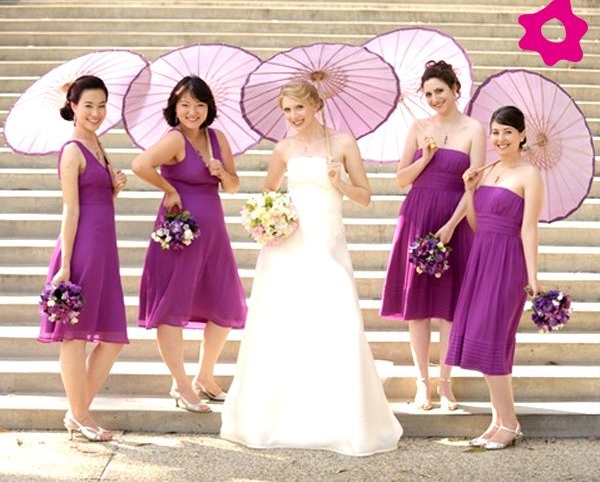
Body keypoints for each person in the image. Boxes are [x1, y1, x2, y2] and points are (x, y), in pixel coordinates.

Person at [221, 80, 403, 456]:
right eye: (287, 110)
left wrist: (341, 183)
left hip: (327, 243)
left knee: (339, 320)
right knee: (284, 323)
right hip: (288, 245)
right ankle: (279, 414)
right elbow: (269, 194)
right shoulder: (283, 149)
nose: (293, 116)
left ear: (316, 105)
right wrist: (268, 219)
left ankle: (344, 419)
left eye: (299, 108)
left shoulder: (343, 143)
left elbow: (365, 197)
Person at [132, 75, 247, 413]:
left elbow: (234, 186)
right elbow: (140, 164)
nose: (192, 111)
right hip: (181, 233)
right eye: (184, 105)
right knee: (173, 303)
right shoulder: (174, 139)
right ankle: (181, 384)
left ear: (208, 107)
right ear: (175, 107)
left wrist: (222, 172)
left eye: (199, 104)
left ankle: (204, 376)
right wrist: (169, 190)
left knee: (225, 303)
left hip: (214, 234)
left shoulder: (217, 138)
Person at [380, 60, 486, 410]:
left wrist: (452, 225)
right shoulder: (418, 127)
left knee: (449, 307)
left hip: (454, 217)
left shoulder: (474, 130)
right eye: (428, 94)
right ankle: (422, 383)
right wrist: (425, 157)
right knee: (418, 308)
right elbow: (401, 179)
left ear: (455, 89)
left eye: (440, 90)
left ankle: (445, 382)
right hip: (417, 215)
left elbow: (474, 186)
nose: (434, 98)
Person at [446, 105, 543, 449]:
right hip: (481, 259)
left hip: (508, 263)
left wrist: (533, 276)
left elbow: (529, 229)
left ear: (522, 136)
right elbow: (476, 224)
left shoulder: (529, 175)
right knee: (487, 342)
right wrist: (469, 190)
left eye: (508, 132)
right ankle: (498, 420)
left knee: (493, 340)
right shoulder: (486, 171)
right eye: (496, 132)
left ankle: (510, 423)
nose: (500, 139)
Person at [38, 75, 129, 441]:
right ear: (73, 106)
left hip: (105, 248)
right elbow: (71, 209)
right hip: (82, 250)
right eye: (88, 105)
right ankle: (81, 415)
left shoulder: (97, 143)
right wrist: (65, 264)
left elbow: (99, 202)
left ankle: (78, 411)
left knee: (113, 338)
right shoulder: (72, 149)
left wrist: (114, 189)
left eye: (102, 105)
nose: (96, 112)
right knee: (74, 337)